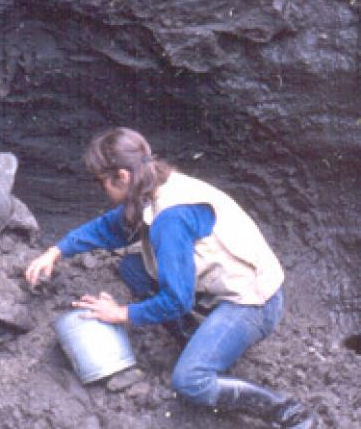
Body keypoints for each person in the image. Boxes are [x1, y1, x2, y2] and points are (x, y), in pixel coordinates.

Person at [25, 127, 314, 428]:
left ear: (122, 176)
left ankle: (287, 412)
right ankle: (197, 341)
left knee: (190, 381)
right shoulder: (153, 185)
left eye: (103, 184)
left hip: (253, 301)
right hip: (226, 288)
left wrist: (121, 313)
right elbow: (109, 228)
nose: (104, 192)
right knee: (133, 269)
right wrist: (56, 251)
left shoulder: (171, 218)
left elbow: (177, 300)